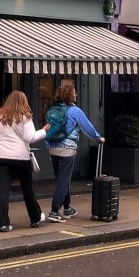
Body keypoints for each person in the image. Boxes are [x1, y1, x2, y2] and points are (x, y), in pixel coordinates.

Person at [0, 89, 49, 232]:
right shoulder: (25, 116)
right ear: (23, 101)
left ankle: (3, 224)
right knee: (27, 188)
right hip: (20, 157)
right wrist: (43, 131)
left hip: (2, 157)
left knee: (3, 189)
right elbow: (30, 138)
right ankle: (35, 217)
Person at [45, 80, 104, 223]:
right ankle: (54, 210)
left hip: (53, 148)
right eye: (74, 93)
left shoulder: (53, 110)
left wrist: (48, 145)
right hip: (67, 149)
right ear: (71, 96)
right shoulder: (75, 111)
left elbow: (47, 129)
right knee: (63, 181)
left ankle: (67, 208)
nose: (76, 94)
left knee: (62, 179)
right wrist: (98, 138)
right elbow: (87, 128)